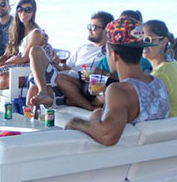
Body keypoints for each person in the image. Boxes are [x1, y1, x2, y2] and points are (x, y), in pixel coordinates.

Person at [65, 18, 169, 146]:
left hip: (125, 160)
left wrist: (74, 122)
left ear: (113, 54)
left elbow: (108, 135)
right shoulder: (158, 83)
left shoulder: (119, 90)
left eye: (106, 51)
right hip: (152, 157)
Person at [31, 11, 114, 110]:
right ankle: (42, 92)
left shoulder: (109, 52)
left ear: (106, 30)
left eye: (94, 27)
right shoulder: (84, 48)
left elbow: (111, 75)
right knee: (35, 51)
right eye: (89, 26)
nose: (89, 30)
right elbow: (69, 68)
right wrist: (59, 65)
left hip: (84, 85)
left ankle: (90, 107)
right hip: (67, 79)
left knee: (58, 79)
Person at [0, 0, 49, 91]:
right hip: (15, 65)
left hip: (29, 69)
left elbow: (24, 59)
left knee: (2, 80)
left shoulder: (36, 33)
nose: (23, 13)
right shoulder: (17, 30)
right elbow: (7, 54)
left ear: (34, 12)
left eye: (28, 10)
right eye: (20, 9)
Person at [142, 20, 177, 117]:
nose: (143, 44)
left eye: (147, 40)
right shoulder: (172, 63)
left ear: (163, 42)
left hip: (168, 127)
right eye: (139, 39)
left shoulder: (159, 75)